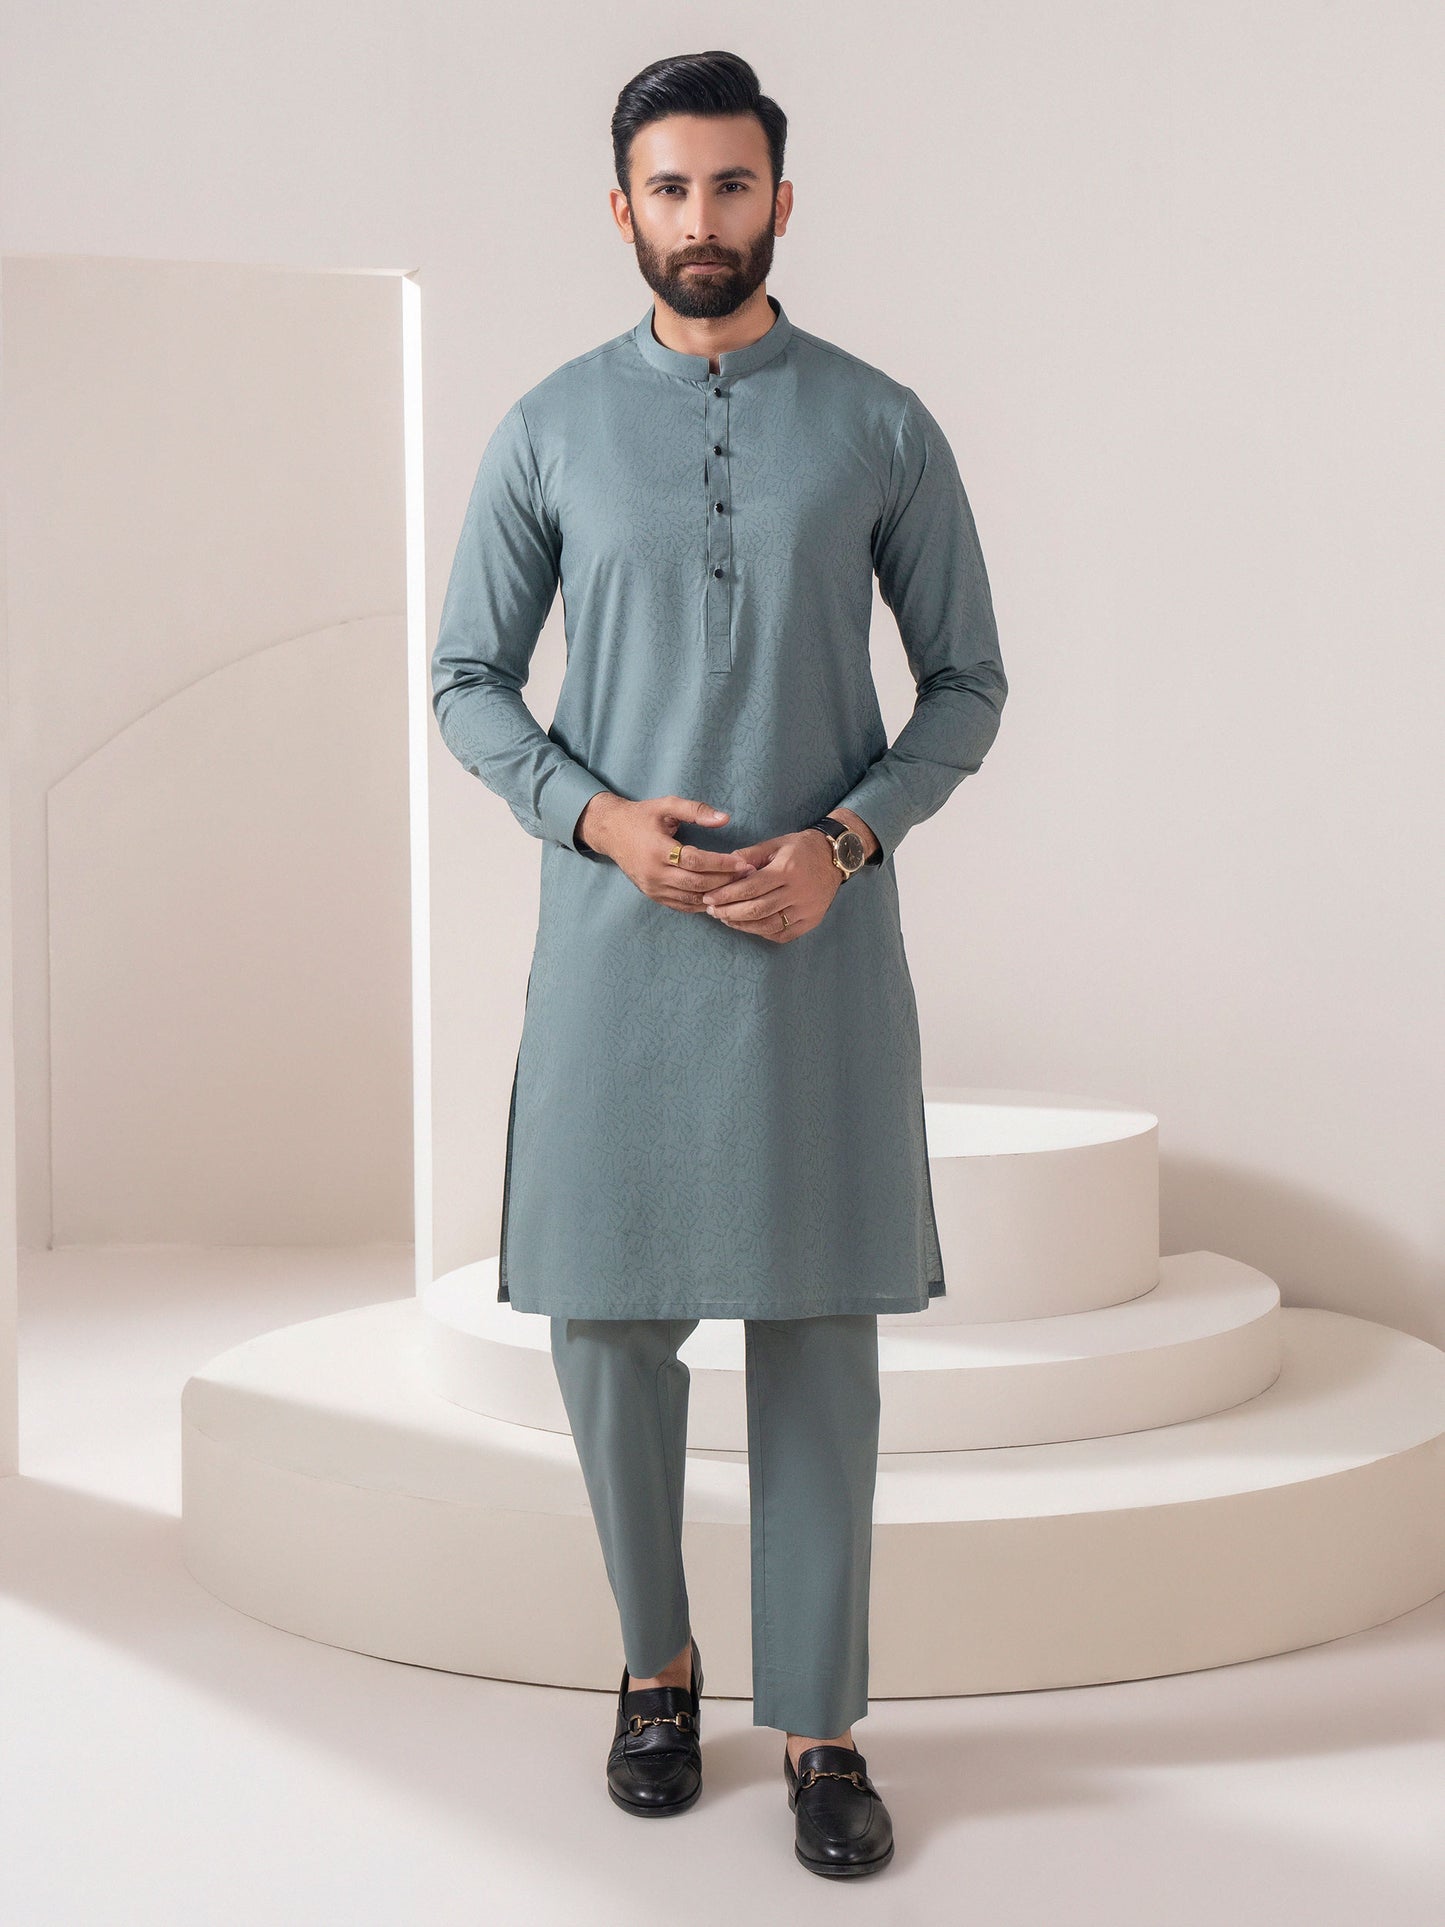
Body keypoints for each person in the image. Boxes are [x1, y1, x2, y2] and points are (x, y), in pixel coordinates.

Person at [431, 49, 1007, 1880]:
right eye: (670, 189)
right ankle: (656, 1672)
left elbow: (966, 683)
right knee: (606, 1326)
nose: (702, 219)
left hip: (814, 949)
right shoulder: (545, 427)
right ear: (622, 209)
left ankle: (821, 1725)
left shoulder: (878, 423)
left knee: (817, 1336)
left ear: (781, 199)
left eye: (732, 185)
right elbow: (465, 679)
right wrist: (593, 819)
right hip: (618, 947)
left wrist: (846, 842)